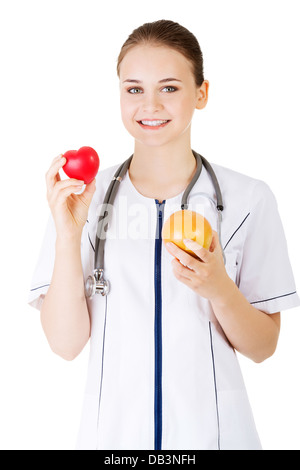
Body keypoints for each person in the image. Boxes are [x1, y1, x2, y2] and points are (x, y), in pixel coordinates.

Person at [28, 20, 299, 450]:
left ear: (202, 93)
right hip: (114, 445)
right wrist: (67, 235)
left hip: (218, 440)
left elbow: (264, 347)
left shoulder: (249, 199)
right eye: (134, 89)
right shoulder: (83, 200)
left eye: (169, 88)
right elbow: (65, 344)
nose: (149, 105)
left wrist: (219, 289)